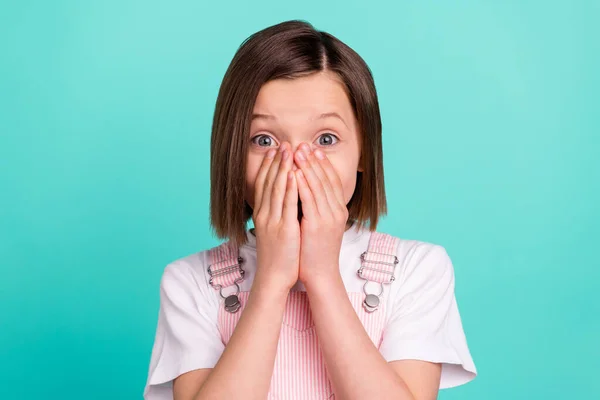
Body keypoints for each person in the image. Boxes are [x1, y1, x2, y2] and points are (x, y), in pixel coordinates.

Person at [143, 19, 477, 400]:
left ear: (364, 152)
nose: (296, 163)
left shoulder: (418, 270)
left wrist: (322, 275)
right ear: (233, 154)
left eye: (326, 138)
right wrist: (270, 279)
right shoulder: (190, 283)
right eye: (264, 140)